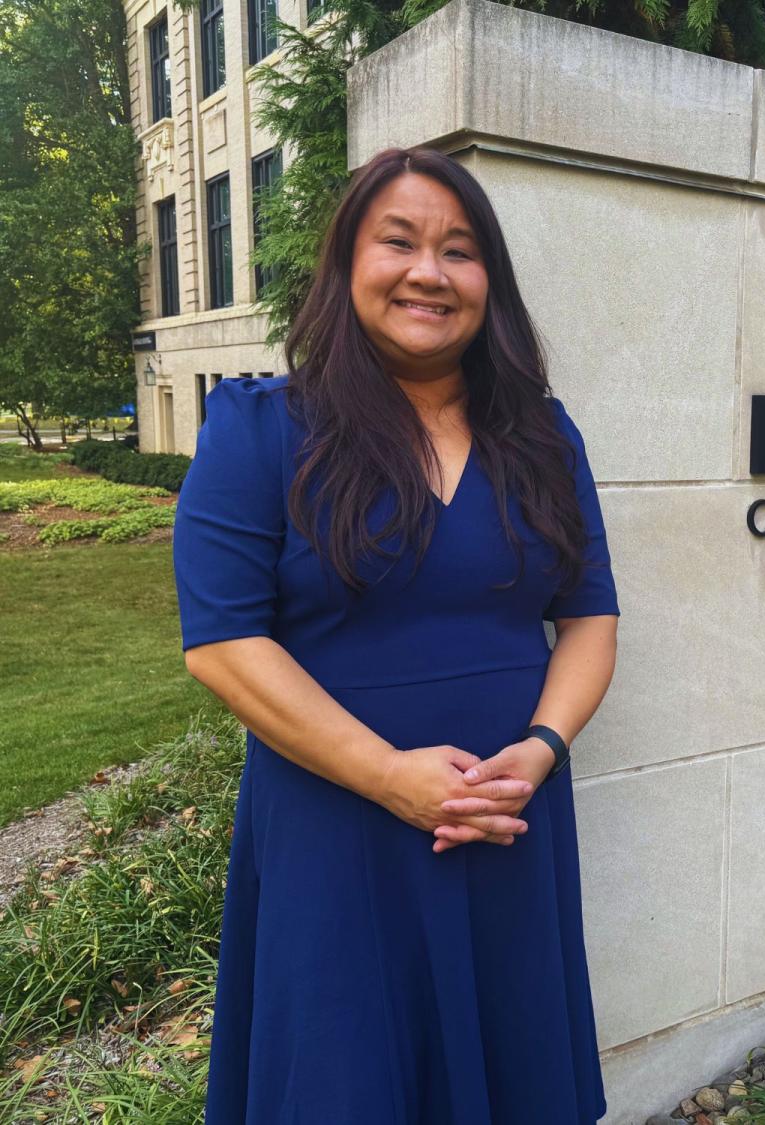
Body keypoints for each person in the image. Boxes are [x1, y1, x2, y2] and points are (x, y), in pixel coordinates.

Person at [173, 145, 621, 1123]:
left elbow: (591, 615)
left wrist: (541, 749)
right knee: (346, 1080)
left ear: (489, 281)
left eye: (459, 250)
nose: (430, 271)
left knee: (512, 1076)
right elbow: (222, 643)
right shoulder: (262, 428)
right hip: (338, 828)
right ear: (347, 264)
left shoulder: (543, 438)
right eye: (399, 242)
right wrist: (387, 776)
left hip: (505, 820)